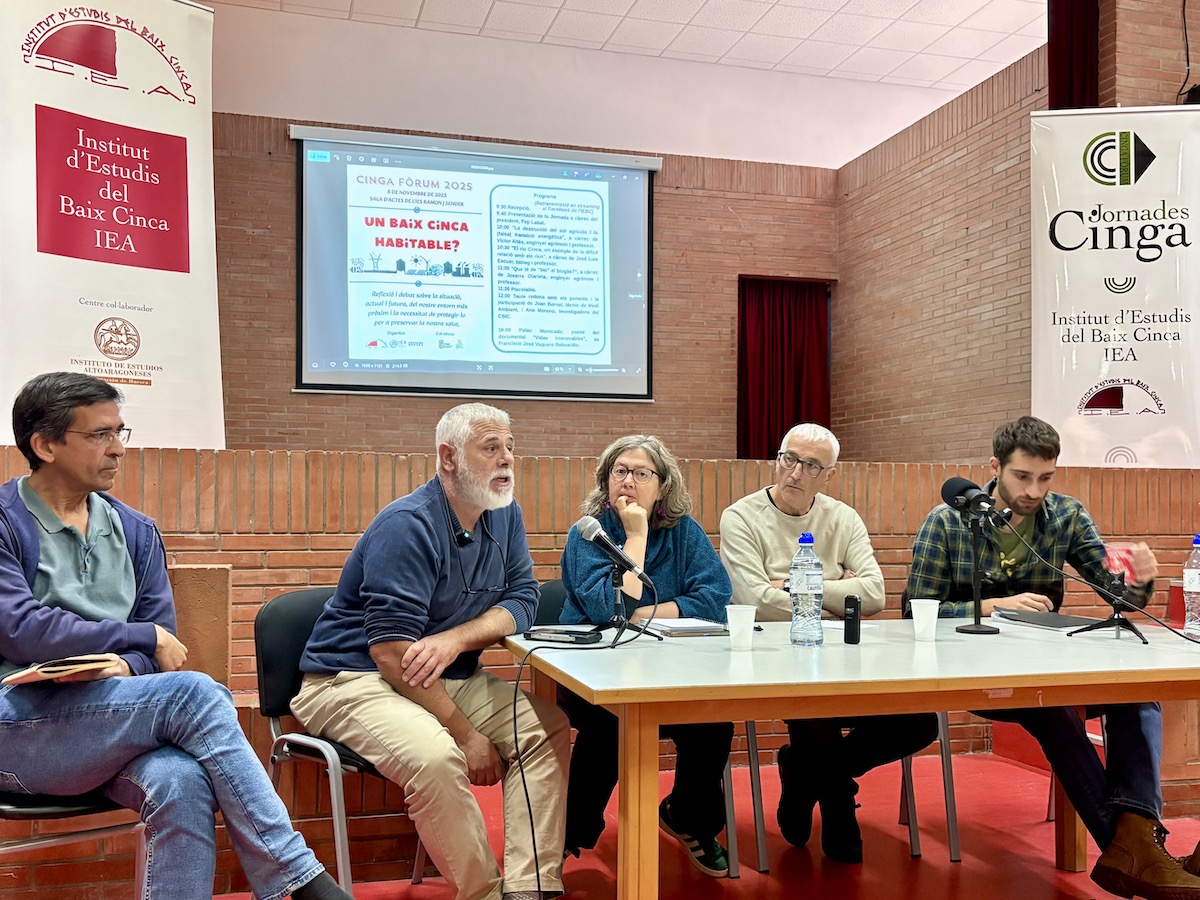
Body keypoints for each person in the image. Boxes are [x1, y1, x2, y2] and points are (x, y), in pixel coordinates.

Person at [0, 372, 352, 900]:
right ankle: (294, 881)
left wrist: (130, 661)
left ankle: (289, 881)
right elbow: (22, 630)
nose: (118, 449)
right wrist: (139, 639)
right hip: (19, 727)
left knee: (181, 781)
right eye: (100, 435)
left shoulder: (137, 531)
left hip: (109, 722)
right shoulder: (6, 520)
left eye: (122, 432)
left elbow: (157, 647)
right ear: (45, 444)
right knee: (195, 692)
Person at [907, 415, 1200, 899]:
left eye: (1046, 478)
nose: (1034, 490)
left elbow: (1118, 597)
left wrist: (1139, 579)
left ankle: (1139, 847)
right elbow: (913, 610)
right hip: (973, 673)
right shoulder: (947, 520)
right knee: (1057, 713)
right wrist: (992, 604)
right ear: (995, 468)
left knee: (1138, 694)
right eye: (1022, 477)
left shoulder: (1066, 515)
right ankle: (1139, 854)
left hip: (1048, 664)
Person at [292, 402, 568, 900]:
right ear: (448, 457)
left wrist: (455, 639)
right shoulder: (407, 525)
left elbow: (525, 599)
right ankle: (482, 893)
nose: (507, 460)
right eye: (491, 449)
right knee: (439, 757)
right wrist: (466, 735)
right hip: (352, 679)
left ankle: (530, 888)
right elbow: (394, 655)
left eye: (510, 448)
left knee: (546, 730)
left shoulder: (505, 516)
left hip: (444, 672)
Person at [719, 422, 938, 863]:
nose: (795, 472)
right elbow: (756, 601)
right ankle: (838, 804)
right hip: (774, 657)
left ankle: (803, 772)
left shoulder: (842, 517)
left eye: (811, 465)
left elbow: (874, 593)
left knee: (919, 722)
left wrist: (795, 586)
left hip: (847, 656)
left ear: (829, 475)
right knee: (813, 707)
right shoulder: (740, 516)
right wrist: (837, 586)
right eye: (788, 459)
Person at [557, 434, 734, 877]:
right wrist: (635, 535)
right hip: (589, 677)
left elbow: (716, 595)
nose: (629, 482)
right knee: (612, 726)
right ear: (605, 481)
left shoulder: (683, 531)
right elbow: (610, 607)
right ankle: (566, 838)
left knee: (712, 721)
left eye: (641, 473)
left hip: (668, 670)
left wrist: (653, 611)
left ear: (663, 485)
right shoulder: (589, 532)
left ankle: (686, 818)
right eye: (620, 472)